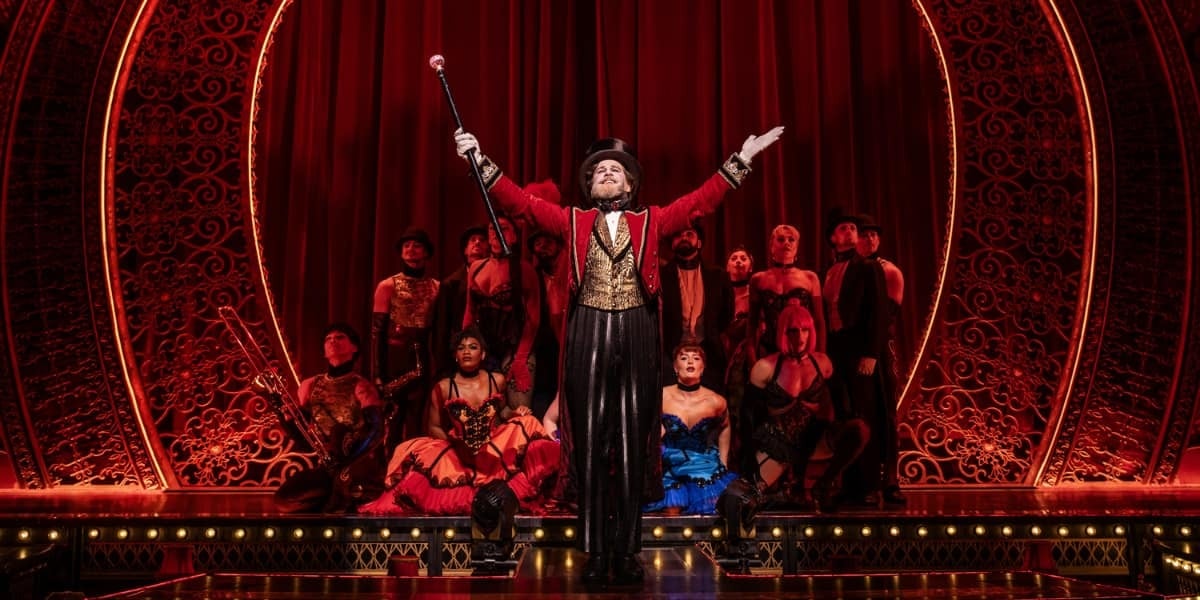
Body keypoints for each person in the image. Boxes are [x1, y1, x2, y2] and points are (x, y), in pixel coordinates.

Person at [453, 124, 783, 584]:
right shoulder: (571, 220)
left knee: (630, 439)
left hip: (636, 331)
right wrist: (479, 160)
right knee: (590, 440)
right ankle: (593, 550)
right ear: (589, 187)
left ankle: (627, 551)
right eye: (599, 171)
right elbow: (519, 203)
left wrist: (740, 159)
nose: (607, 174)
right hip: (588, 327)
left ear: (630, 184)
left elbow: (699, 201)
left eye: (616, 170)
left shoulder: (651, 221)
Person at [358, 327, 559, 515]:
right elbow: (434, 427)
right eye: (461, 348)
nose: (466, 352)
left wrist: (516, 413)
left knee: (529, 422)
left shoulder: (496, 380)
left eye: (473, 347)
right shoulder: (444, 387)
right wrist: (455, 443)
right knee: (410, 450)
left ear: (483, 354)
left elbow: (503, 410)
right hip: (458, 449)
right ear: (455, 356)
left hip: (491, 447)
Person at [741, 305, 867, 511]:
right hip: (779, 443)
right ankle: (789, 489)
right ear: (783, 332)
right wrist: (748, 454)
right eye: (793, 330)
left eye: (805, 330)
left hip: (813, 441)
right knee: (749, 499)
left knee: (859, 429)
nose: (800, 337)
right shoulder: (765, 367)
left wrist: (838, 428)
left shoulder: (822, 363)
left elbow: (842, 405)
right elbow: (746, 415)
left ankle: (822, 486)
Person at [821, 209, 893, 507]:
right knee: (846, 416)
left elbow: (879, 312)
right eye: (844, 228)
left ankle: (870, 487)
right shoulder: (829, 271)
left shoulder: (868, 267)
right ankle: (849, 484)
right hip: (838, 349)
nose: (851, 232)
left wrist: (871, 353)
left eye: (853, 228)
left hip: (860, 348)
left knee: (866, 415)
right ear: (833, 238)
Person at [273, 324, 385, 513]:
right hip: (327, 466)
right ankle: (336, 498)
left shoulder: (361, 386)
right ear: (324, 351)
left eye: (340, 337)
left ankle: (345, 495)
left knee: (339, 435)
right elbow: (302, 439)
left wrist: (347, 462)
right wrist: (278, 406)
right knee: (284, 500)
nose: (332, 341)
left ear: (354, 348)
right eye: (328, 339)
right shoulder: (309, 386)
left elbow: (377, 431)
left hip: (355, 464)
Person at [643, 343, 736, 515]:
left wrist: (723, 461)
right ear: (675, 367)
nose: (690, 362)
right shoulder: (661, 396)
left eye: (696, 358)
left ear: (703, 367)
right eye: (684, 358)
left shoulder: (716, 401)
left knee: (712, 508)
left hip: (701, 463)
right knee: (672, 506)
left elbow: (725, 426)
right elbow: (645, 426)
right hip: (668, 462)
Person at [463, 213, 540, 412]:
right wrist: (465, 348)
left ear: (514, 236)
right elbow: (469, 312)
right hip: (485, 350)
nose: (497, 233)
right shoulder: (476, 269)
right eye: (492, 229)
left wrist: (521, 358)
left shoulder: (525, 271)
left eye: (503, 228)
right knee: (486, 415)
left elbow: (533, 319)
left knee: (519, 413)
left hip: (515, 350)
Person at [854, 213, 906, 505]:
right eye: (865, 234)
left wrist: (871, 352)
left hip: (878, 349)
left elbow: (886, 316)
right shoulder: (851, 269)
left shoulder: (889, 271)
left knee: (886, 414)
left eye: (874, 234)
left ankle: (891, 479)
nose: (870, 239)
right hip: (853, 351)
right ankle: (865, 480)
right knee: (862, 416)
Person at [371, 227, 439, 448]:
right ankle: (388, 467)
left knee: (417, 416)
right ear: (400, 252)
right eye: (406, 246)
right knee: (393, 416)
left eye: (417, 245)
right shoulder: (387, 286)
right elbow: (377, 333)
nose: (411, 250)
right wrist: (379, 375)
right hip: (395, 358)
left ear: (426, 252)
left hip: (422, 357)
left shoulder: (436, 287)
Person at [659, 222, 732, 391]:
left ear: (699, 242)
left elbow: (726, 315)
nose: (683, 237)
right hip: (669, 357)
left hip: (710, 355)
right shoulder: (660, 276)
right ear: (671, 243)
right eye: (678, 235)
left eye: (689, 234)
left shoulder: (718, 276)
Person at [749, 224, 827, 359]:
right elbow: (751, 324)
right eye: (781, 239)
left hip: (803, 350)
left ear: (797, 246)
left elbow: (819, 322)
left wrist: (820, 357)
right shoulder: (758, 279)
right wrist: (751, 360)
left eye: (791, 240)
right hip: (769, 350)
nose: (786, 243)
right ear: (771, 246)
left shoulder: (810, 278)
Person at [431, 224, 489, 378]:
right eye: (472, 240)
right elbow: (441, 328)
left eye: (482, 240)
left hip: (490, 355)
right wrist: (442, 365)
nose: (477, 243)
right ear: (465, 250)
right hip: (458, 356)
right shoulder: (451, 284)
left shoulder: (498, 279)